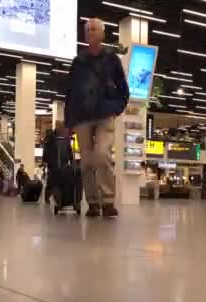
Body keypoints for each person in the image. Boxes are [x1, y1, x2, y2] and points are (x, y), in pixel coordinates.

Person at [64, 18, 129, 218]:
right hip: (82, 116)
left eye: (93, 29)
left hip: (104, 114)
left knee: (102, 155)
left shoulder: (111, 59)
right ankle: (92, 202)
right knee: (86, 162)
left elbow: (123, 88)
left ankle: (108, 200)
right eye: (87, 30)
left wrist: (116, 108)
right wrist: (69, 122)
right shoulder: (79, 62)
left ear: (102, 34)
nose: (90, 32)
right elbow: (71, 92)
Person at [43, 122, 73, 203]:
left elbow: (69, 151)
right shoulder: (50, 137)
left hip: (64, 164)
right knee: (51, 182)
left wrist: (71, 160)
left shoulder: (66, 139)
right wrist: (46, 160)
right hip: (53, 165)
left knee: (61, 182)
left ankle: (59, 199)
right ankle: (48, 196)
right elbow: (46, 150)